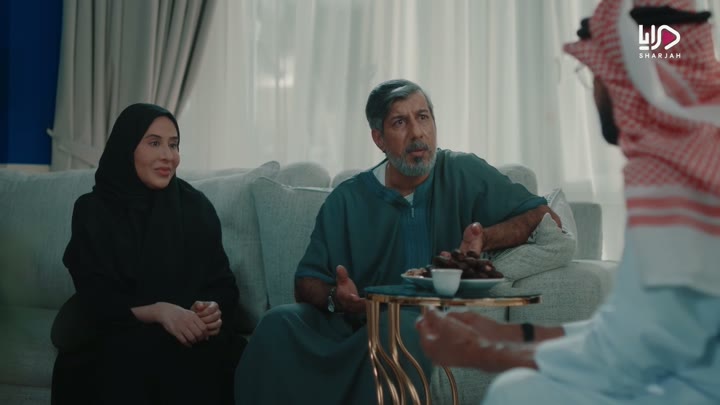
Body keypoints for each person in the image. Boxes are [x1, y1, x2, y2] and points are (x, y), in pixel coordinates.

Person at [415, 1, 720, 404]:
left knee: (515, 393)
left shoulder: (674, 177)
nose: (594, 89)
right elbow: (631, 328)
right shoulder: (698, 149)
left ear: (626, 76)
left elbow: (625, 353)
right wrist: (505, 335)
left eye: (595, 74)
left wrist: (488, 352)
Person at [234, 79, 561, 404]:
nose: (417, 133)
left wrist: (485, 238)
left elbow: (543, 216)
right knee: (278, 323)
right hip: (357, 322)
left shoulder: (463, 172)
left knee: (400, 329)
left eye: (423, 117)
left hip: (425, 321)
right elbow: (306, 282)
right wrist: (337, 297)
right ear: (379, 138)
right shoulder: (347, 199)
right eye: (400, 123)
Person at [50, 103, 243, 405]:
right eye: (154, 143)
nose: (168, 156)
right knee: (125, 356)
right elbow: (96, 298)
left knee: (210, 355)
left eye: (173, 145)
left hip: (186, 334)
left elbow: (223, 285)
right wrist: (159, 311)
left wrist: (211, 309)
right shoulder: (93, 210)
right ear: (127, 148)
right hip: (118, 326)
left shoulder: (195, 207)